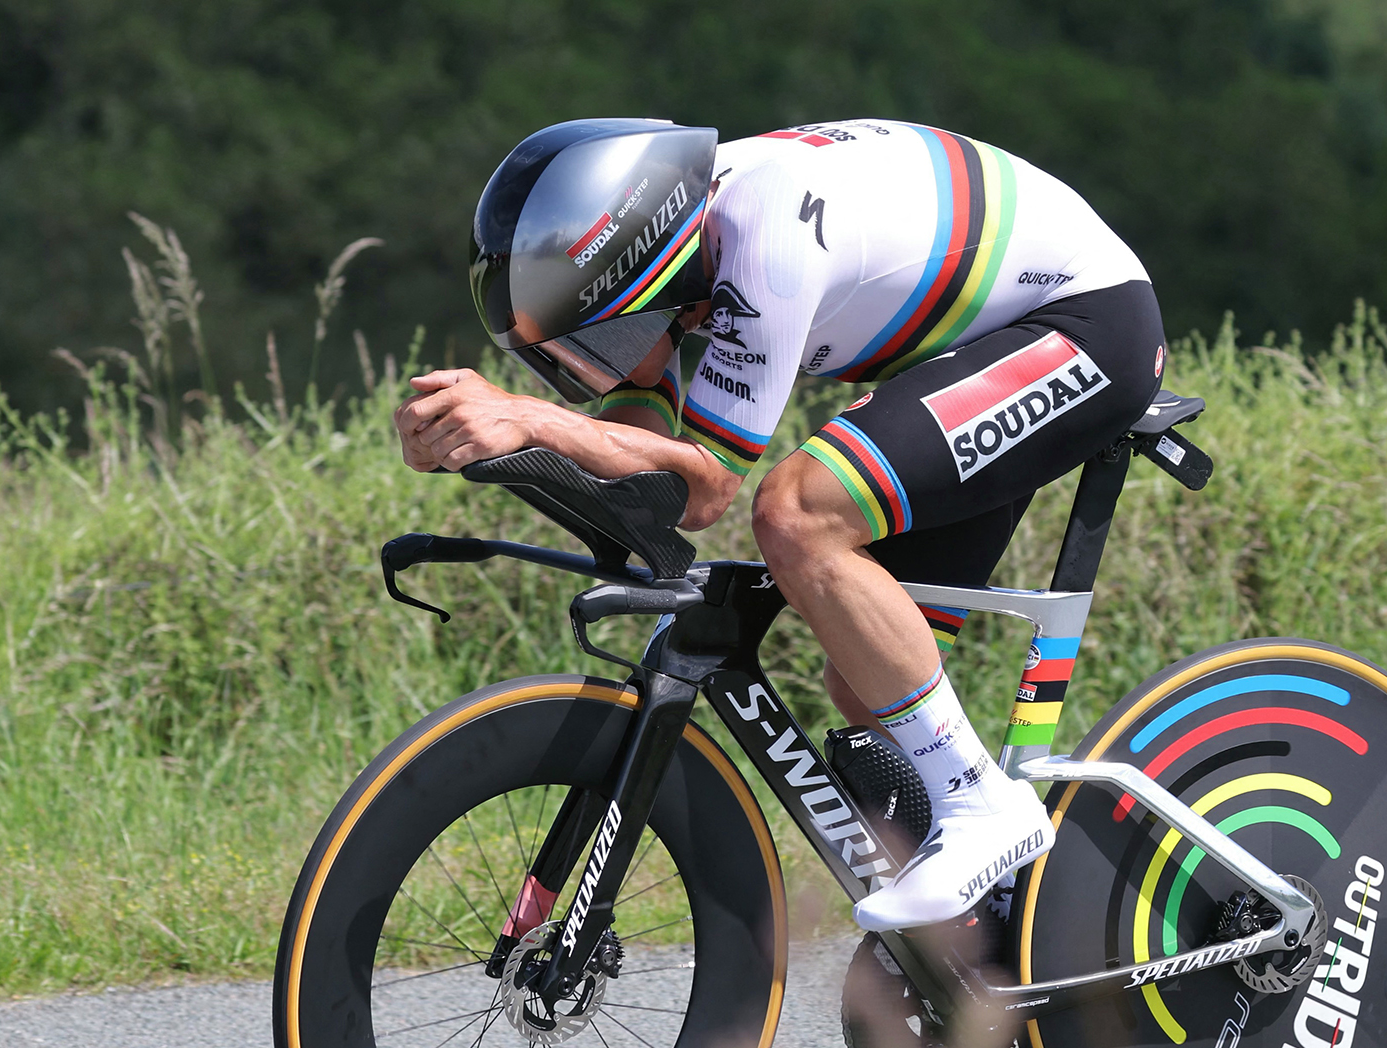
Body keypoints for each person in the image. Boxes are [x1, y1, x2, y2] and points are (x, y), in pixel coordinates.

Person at [395, 117, 1164, 932]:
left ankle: (984, 805)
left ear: (644, 267)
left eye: (608, 327)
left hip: (1084, 325)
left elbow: (704, 492)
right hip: (971, 345)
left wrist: (528, 418)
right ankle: (998, 944)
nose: (611, 355)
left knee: (797, 512)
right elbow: (647, 461)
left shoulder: (765, 235)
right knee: (868, 682)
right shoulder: (684, 229)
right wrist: (476, 442)